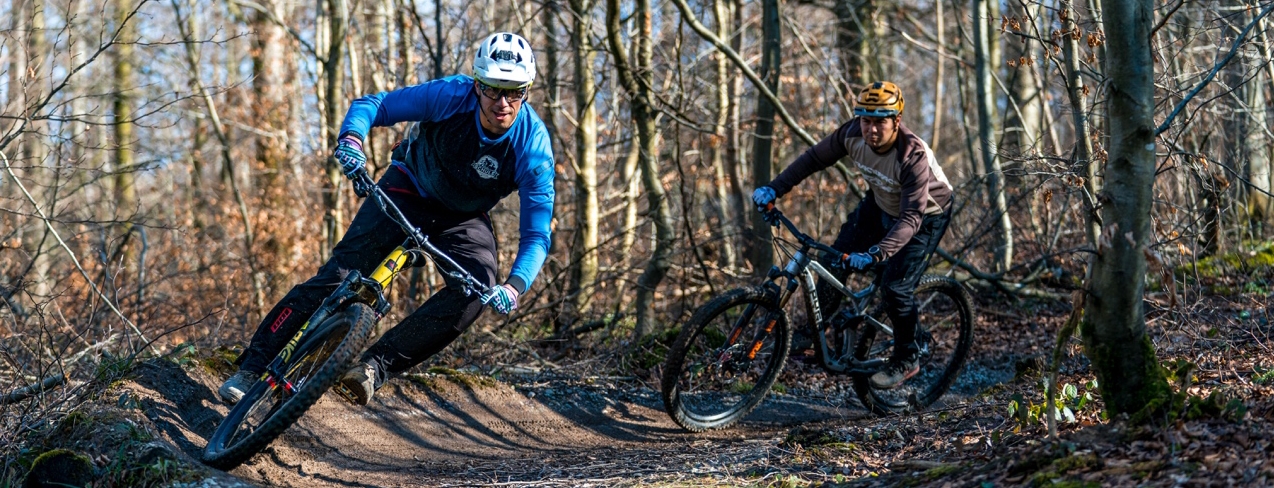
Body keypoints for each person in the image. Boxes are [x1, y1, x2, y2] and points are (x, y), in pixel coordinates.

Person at [218, 32, 554, 405]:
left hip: (462, 217)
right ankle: (252, 368)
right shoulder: (450, 96)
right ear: (477, 85)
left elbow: (536, 235)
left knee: (475, 291)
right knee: (340, 275)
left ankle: (373, 367)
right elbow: (373, 105)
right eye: (492, 89)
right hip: (409, 187)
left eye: (514, 92)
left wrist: (515, 286)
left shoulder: (533, 148)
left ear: (527, 91)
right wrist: (351, 140)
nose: (503, 103)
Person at [751, 81, 953, 389]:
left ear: (896, 121)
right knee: (834, 260)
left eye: (880, 122)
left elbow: (912, 217)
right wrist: (774, 188)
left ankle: (907, 357)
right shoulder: (851, 134)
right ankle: (814, 333)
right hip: (881, 201)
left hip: (925, 216)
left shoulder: (912, 155)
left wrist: (877, 252)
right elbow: (813, 159)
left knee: (895, 288)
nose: (871, 129)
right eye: (866, 121)